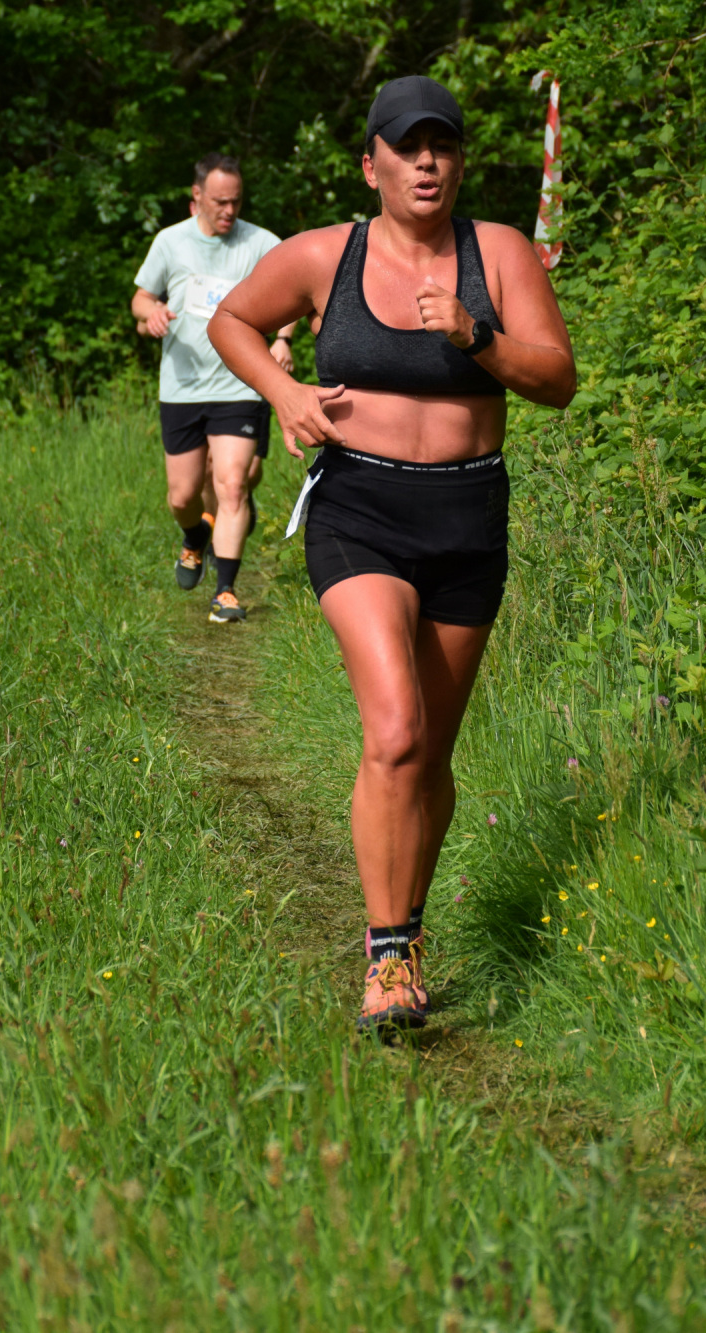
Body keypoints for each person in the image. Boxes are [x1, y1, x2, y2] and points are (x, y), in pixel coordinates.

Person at [210, 77, 575, 1031]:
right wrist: (286, 396)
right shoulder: (324, 254)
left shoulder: (497, 254)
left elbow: (557, 380)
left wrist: (475, 335)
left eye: (441, 146)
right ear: (370, 163)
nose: (426, 163)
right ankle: (385, 956)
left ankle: (408, 929)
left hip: (467, 516)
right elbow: (231, 322)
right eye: (407, 148)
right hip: (360, 509)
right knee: (397, 731)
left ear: (460, 161)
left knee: (432, 755)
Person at [133, 152, 299, 623]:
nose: (229, 211)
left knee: (231, 484)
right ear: (197, 196)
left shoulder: (262, 243)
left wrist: (283, 339)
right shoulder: (171, 242)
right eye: (220, 202)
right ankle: (193, 537)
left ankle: (225, 591)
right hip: (183, 386)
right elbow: (140, 298)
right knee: (183, 496)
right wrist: (152, 312)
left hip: (240, 384)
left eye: (236, 202)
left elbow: (295, 291)